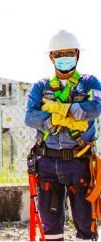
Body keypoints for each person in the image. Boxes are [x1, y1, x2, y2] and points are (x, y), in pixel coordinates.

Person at [25, 30, 101, 240]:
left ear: (77, 55)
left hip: (79, 161)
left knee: (87, 223)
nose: (64, 58)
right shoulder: (41, 86)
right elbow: (30, 117)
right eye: (59, 54)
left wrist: (63, 110)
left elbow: (95, 108)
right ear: (51, 57)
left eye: (69, 53)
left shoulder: (89, 83)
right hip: (47, 161)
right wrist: (53, 120)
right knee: (50, 227)